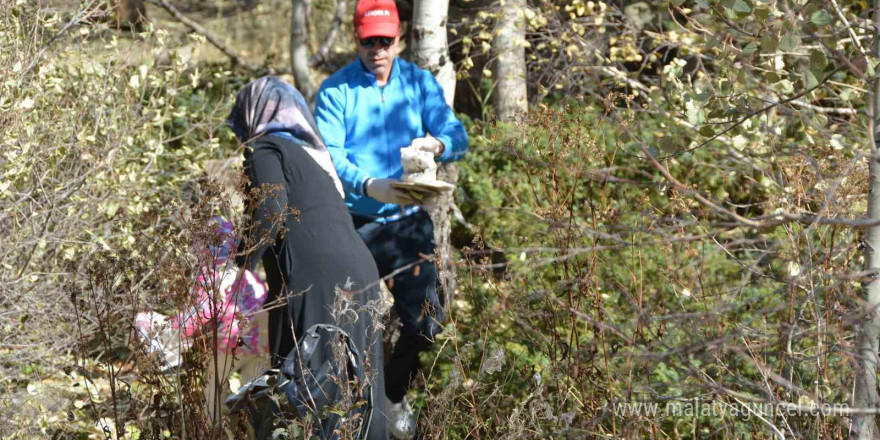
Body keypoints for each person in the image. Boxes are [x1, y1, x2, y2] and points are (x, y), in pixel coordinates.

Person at [314, 0, 469, 437]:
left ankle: (392, 394)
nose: (378, 49)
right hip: (353, 223)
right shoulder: (336, 90)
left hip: (407, 221)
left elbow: (457, 135)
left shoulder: (419, 83)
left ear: (399, 39)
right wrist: (366, 184)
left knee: (427, 321)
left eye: (386, 40)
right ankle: (349, 413)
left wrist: (436, 145)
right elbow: (330, 155)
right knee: (343, 325)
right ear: (356, 40)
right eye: (369, 41)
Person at [228, 76, 388, 439]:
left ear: (254, 117)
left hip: (316, 278)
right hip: (362, 273)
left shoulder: (267, 149)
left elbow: (269, 212)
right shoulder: (315, 162)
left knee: (311, 384)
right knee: (362, 387)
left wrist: (238, 269)